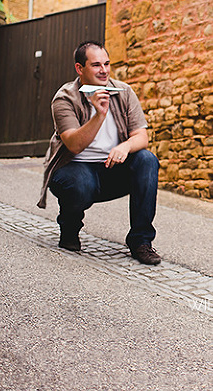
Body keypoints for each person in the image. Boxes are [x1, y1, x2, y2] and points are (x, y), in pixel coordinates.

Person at [37, 40, 161, 265]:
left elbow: (142, 137)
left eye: (106, 64)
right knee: (81, 184)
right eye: (96, 65)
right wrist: (99, 115)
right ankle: (70, 226)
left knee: (147, 160)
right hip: (74, 168)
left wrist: (125, 146)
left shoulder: (123, 92)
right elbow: (74, 145)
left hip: (111, 168)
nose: (104, 70)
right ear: (79, 68)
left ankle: (141, 242)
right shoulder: (65, 98)